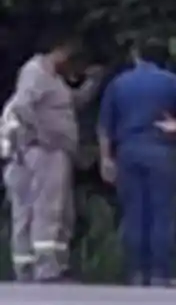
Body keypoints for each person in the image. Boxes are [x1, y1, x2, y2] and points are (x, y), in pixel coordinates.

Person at [97, 40, 176, 286]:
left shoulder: (119, 83)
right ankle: (160, 274)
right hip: (161, 150)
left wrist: (106, 158)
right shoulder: (169, 80)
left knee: (134, 213)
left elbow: (104, 125)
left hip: (128, 151)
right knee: (162, 214)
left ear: (136, 54)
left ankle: (135, 272)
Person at [4, 33, 103, 281]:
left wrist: (92, 84)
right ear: (60, 51)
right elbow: (23, 107)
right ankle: (46, 268)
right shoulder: (36, 73)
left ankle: (29, 267)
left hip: (46, 151)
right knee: (48, 209)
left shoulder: (53, 79)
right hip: (44, 151)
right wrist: (43, 135)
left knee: (33, 211)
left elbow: (70, 103)